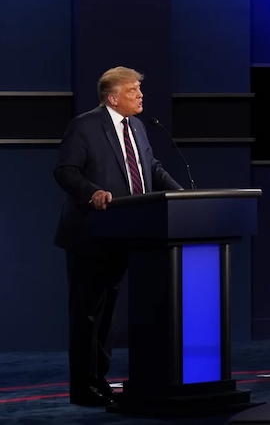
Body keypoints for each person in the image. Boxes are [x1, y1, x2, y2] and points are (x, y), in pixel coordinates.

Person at [53, 66, 183, 406]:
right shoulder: (84, 125)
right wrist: (92, 192)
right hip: (91, 233)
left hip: (128, 232)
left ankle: (101, 382)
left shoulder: (137, 126)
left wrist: (182, 195)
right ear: (112, 98)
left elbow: (150, 168)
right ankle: (84, 389)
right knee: (88, 315)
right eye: (133, 91)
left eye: (139, 89)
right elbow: (65, 171)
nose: (140, 96)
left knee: (107, 315)